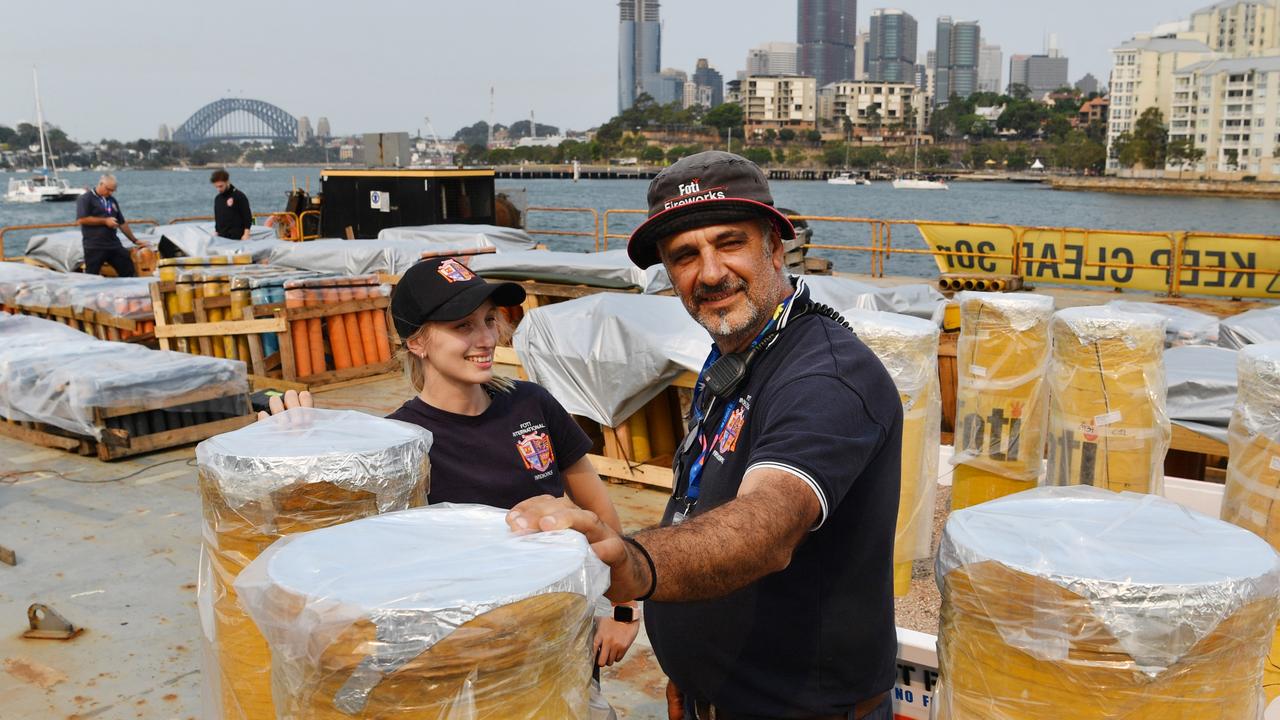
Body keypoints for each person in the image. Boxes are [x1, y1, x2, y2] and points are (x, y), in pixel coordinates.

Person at [506, 151, 903, 720]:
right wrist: (693, 676)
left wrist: (634, 563)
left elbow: (767, 522)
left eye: (729, 242)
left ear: (775, 245)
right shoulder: (734, 357)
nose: (711, 273)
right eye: (685, 256)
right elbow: (701, 500)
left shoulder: (826, 375)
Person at [260, 257, 640, 673]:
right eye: (463, 326)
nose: (486, 338)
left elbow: (600, 517)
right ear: (417, 342)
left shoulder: (533, 404)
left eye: (489, 320)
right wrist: (296, 449)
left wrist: (623, 607)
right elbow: (338, 557)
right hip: (466, 650)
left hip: (561, 625)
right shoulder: (396, 444)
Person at [75, 174, 146, 277]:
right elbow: (81, 220)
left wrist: (134, 240)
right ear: (101, 184)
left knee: (128, 269)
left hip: (113, 244)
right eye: (108, 189)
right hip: (94, 245)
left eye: (113, 190)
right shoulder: (85, 199)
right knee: (91, 276)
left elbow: (121, 222)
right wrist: (105, 221)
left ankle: (128, 291)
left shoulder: (112, 200)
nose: (111, 192)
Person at [211, 168, 253, 240]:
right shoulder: (217, 199)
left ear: (227, 182)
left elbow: (247, 216)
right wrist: (216, 232)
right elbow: (218, 218)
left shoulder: (239, 196)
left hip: (238, 237)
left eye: (221, 186)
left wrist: (246, 234)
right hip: (222, 237)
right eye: (216, 187)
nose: (219, 189)